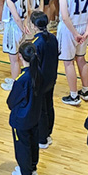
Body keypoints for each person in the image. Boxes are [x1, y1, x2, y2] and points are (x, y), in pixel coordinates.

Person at [57, 0, 88, 106]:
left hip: (70, 28)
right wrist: (86, 31)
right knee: (81, 59)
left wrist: (75, 33)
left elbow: (65, 17)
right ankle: (85, 90)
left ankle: (74, 95)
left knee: (68, 62)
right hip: (83, 26)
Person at [7, 42, 42, 175]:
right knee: (33, 141)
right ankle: (32, 167)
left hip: (21, 118)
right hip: (34, 115)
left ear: (20, 56)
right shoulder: (38, 72)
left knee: (22, 144)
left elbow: (11, 101)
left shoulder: (22, 79)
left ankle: (25, 173)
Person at [30, 11, 59, 149]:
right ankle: (47, 133)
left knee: (41, 110)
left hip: (41, 81)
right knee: (49, 105)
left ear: (34, 26)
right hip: (51, 77)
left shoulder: (36, 43)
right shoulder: (53, 38)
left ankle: (42, 139)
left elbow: (35, 65)